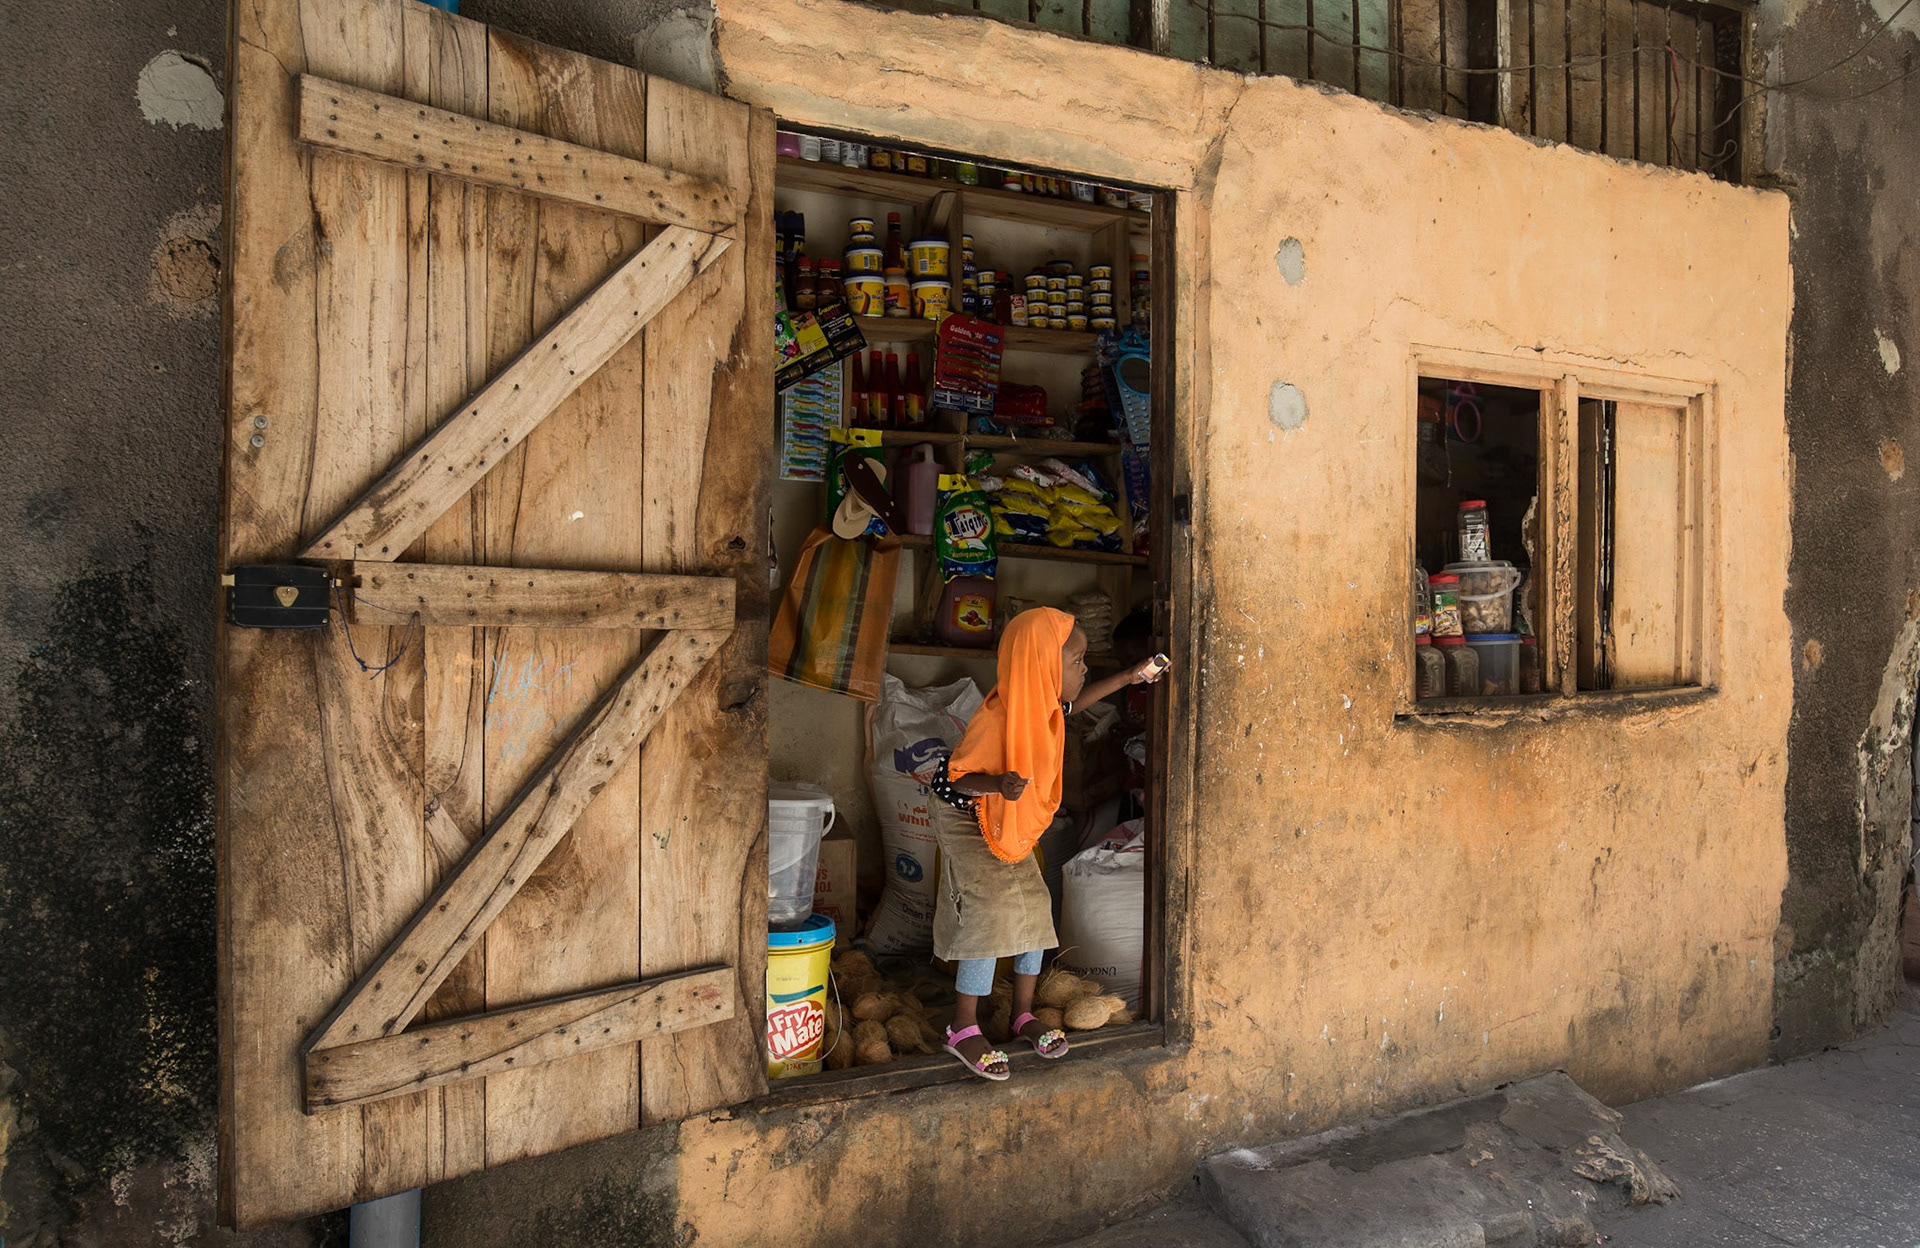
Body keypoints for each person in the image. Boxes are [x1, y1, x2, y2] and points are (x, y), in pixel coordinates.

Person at [926, 607, 1165, 1080]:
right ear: (1041, 666)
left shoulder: (1045, 708)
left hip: (1004, 814)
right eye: (1077, 661)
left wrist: (1129, 677)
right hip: (967, 813)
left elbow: (1078, 702)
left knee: (1034, 908)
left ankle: (1021, 1014)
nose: (1084, 669)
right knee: (990, 910)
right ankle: (962, 1026)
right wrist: (997, 783)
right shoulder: (1000, 716)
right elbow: (950, 781)